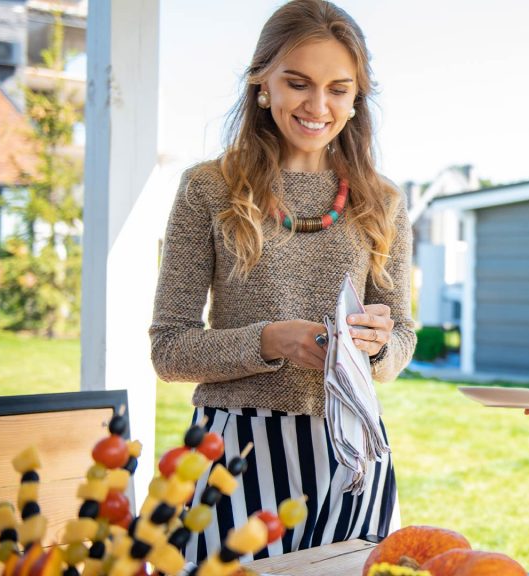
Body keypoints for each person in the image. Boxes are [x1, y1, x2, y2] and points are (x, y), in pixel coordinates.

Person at [149, 0, 414, 563]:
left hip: (352, 453)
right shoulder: (207, 190)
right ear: (262, 82)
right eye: (298, 83)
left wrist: (378, 346)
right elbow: (169, 349)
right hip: (235, 453)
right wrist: (272, 341)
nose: (319, 106)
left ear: (356, 97)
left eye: (339, 89)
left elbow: (402, 337)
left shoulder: (383, 202)